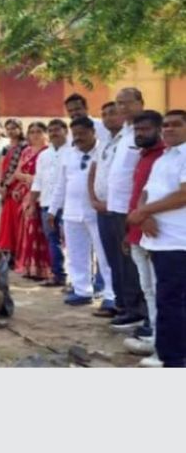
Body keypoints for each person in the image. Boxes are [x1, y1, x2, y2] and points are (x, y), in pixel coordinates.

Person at [128, 110, 186, 368]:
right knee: (162, 297)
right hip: (157, 240)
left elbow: (184, 195)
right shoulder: (164, 158)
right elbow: (146, 192)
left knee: (171, 300)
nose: (169, 129)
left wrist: (146, 211)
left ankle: (174, 359)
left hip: (178, 240)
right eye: (166, 125)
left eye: (176, 125)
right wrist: (143, 214)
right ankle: (166, 350)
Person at [49, 117, 114, 306]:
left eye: (82, 133)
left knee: (104, 255)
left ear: (93, 132)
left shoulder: (104, 151)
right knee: (76, 254)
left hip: (96, 212)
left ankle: (111, 295)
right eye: (75, 134)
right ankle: (82, 290)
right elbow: (60, 184)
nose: (78, 138)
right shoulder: (68, 154)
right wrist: (53, 210)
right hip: (71, 212)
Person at [99, 88, 148, 331]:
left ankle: (138, 312)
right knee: (119, 260)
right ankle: (127, 307)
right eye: (119, 103)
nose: (122, 108)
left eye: (127, 103)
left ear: (140, 102)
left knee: (133, 262)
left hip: (133, 208)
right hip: (114, 207)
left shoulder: (146, 131)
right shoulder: (124, 133)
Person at [121, 110, 165, 366]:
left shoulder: (166, 156)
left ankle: (166, 345)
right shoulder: (145, 156)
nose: (140, 134)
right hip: (138, 230)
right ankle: (156, 337)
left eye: (145, 129)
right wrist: (130, 231)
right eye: (137, 130)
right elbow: (140, 194)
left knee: (162, 292)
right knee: (148, 290)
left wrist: (146, 217)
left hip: (158, 233)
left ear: (157, 130)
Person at [87, 101, 126, 310]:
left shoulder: (129, 140)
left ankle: (129, 307)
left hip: (120, 210)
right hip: (102, 210)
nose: (108, 117)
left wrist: (109, 203)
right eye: (104, 114)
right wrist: (93, 199)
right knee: (112, 259)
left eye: (112, 113)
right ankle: (120, 304)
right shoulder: (104, 141)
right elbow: (94, 170)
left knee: (125, 261)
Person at [30, 119, 69, 287]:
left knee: (75, 243)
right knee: (52, 240)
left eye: (57, 130)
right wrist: (32, 204)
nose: (53, 133)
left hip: (69, 204)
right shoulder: (44, 155)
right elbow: (37, 181)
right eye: (51, 130)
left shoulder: (73, 151)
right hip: (46, 203)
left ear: (65, 131)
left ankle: (81, 282)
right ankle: (58, 275)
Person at [13, 122, 51, 280]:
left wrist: (34, 179)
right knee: (28, 229)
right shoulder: (26, 151)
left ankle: (44, 268)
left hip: (42, 193)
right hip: (26, 194)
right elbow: (17, 173)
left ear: (45, 134)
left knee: (40, 231)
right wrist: (28, 178)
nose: (35, 135)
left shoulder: (48, 151)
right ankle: (30, 267)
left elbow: (48, 176)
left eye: (39, 131)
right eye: (32, 132)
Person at [0, 118, 28, 258]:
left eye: (14, 128)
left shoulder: (24, 146)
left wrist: (7, 185)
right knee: (6, 220)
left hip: (17, 187)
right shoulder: (6, 148)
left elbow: (20, 168)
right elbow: (1, 167)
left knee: (16, 219)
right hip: (5, 187)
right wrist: (0, 185)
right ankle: (8, 250)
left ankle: (18, 253)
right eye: (8, 128)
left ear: (20, 129)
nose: (10, 131)